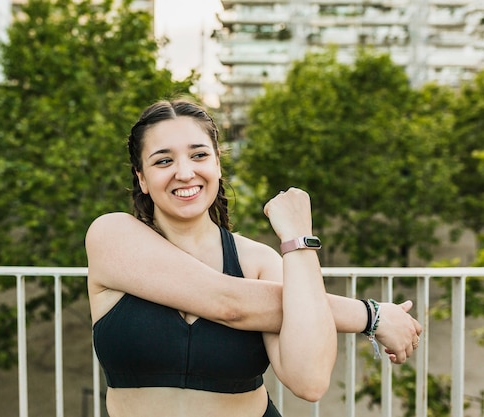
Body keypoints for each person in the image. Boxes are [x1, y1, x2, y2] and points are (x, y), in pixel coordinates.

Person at [86, 99, 422, 417]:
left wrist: (298, 240)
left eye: (199, 155)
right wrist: (371, 315)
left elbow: (310, 381)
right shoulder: (111, 235)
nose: (185, 172)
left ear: (217, 162)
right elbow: (229, 303)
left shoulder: (259, 261)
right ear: (141, 178)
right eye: (163, 160)